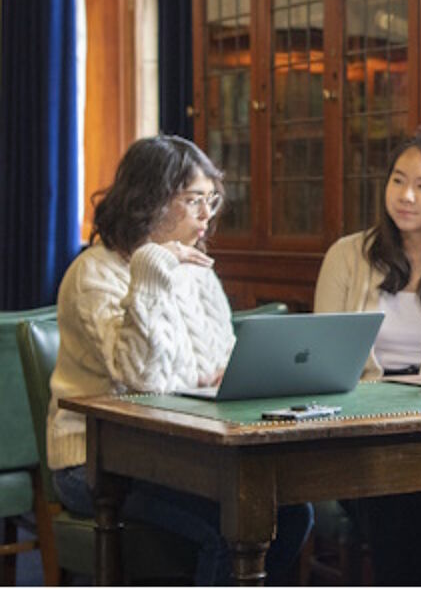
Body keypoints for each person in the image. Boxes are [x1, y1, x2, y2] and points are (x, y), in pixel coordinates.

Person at [47, 135, 312, 585]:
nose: (207, 214)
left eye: (212, 200)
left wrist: (209, 375)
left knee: (292, 514)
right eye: (193, 201)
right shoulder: (93, 274)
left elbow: (221, 365)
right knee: (228, 526)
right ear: (149, 200)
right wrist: (152, 270)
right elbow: (144, 380)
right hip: (95, 460)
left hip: (183, 450)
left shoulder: (197, 270)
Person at [313, 129, 421, 585]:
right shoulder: (348, 256)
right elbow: (326, 361)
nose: (405, 196)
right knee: (400, 504)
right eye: (397, 180)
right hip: (363, 434)